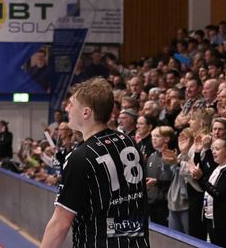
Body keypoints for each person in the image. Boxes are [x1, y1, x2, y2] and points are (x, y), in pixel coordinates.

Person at [41, 78, 149, 247]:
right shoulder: (128, 142)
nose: (66, 108)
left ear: (86, 112)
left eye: (71, 104)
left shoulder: (80, 157)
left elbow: (60, 225)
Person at [197, 136, 226, 247]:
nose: (213, 152)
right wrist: (198, 153)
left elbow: (218, 193)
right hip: (211, 217)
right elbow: (206, 187)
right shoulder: (217, 168)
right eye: (212, 149)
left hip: (222, 220)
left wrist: (201, 179)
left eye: (217, 149)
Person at [145, 126, 175, 226]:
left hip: (164, 203)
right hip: (151, 201)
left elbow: (173, 180)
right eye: (152, 136)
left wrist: (157, 182)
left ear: (167, 139)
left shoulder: (172, 156)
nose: (153, 139)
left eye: (157, 136)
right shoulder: (152, 156)